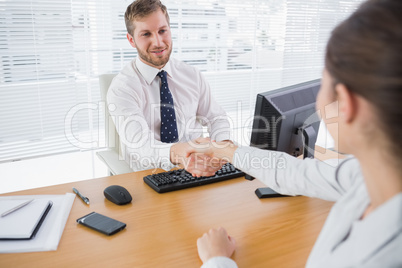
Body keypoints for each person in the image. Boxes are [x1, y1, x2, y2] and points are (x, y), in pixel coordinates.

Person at [186, 0, 402, 267]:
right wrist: (224, 150)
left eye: (324, 82)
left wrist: (217, 260)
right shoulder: (371, 176)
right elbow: (296, 174)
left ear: (345, 104)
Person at [107, 0, 231, 173]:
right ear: (131, 40)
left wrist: (223, 147)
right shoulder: (122, 88)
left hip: (199, 169)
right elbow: (139, 145)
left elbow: (216, 117)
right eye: (146, 34)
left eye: (162, 31)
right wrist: (180, 153)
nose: (158, 42)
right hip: (150, 174)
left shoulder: (191, 75)